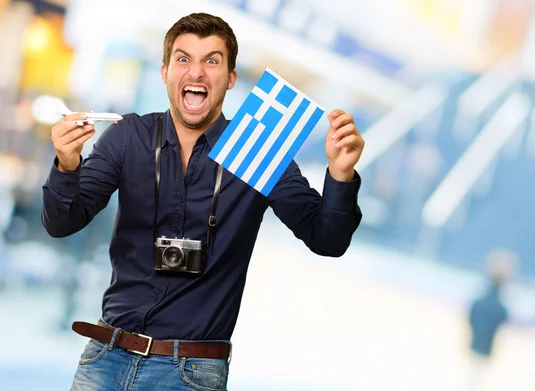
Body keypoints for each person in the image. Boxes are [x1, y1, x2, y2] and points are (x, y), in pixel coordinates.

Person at [42, 12, 364, 391]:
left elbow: (327, 239)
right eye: (183, 59)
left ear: (230, 78)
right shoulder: (128, 136)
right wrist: (67, 164)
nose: (196, 73)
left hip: (191, 373)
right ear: (165, 72)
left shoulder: (256, 150)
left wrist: (341, 174)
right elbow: (61, 223)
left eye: (211, 60)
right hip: (104, 359)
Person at [465, 249, 517, 391]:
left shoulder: (482, 301)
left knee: (473, 377)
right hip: (484, 345)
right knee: (475, 378)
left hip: (478, 343)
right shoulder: (497, 306)